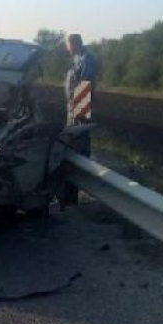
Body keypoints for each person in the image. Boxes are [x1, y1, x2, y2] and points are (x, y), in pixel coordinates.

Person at [62, 34, 99, 204]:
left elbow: (84, 88)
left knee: (79, 152)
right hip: (74, 112)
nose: (66, 49)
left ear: (74, 44)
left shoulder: (87, 61)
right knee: (72, 151)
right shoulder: (79, 59)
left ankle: (73, 196)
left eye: (67, 45)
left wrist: (77, 117)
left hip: (79, 114)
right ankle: (70, 197)